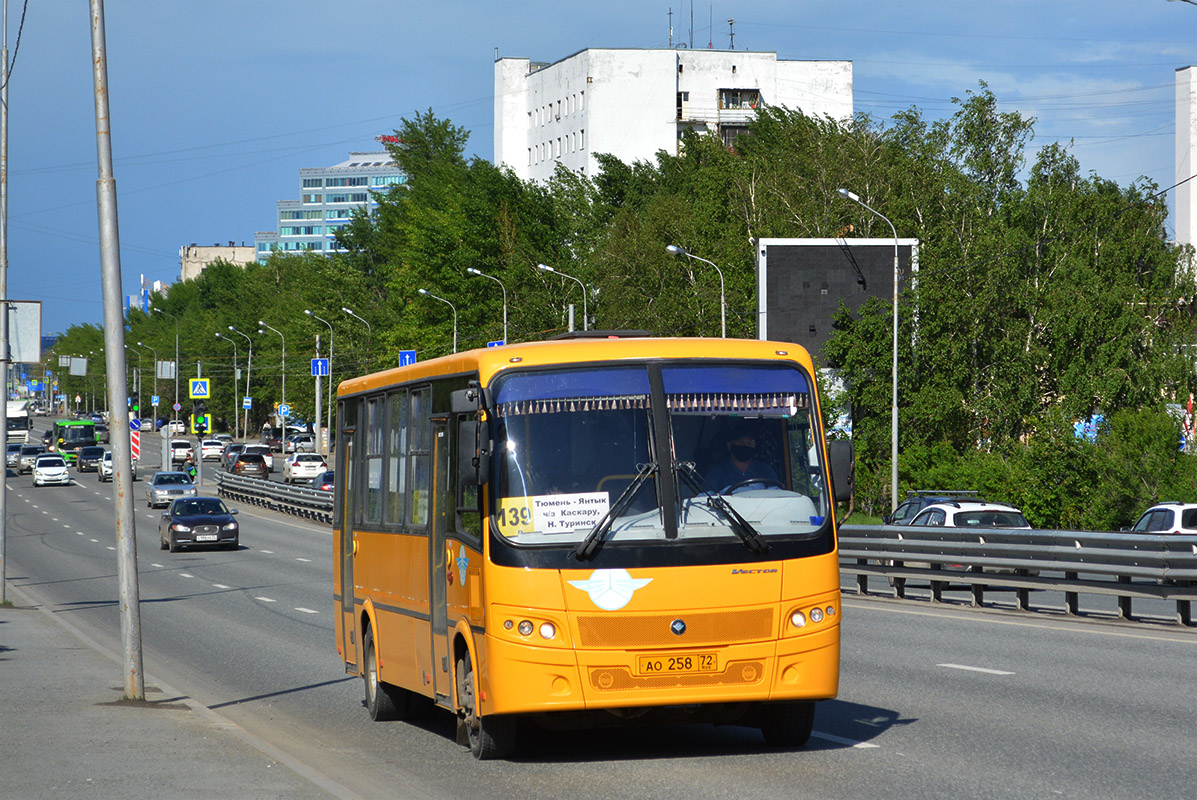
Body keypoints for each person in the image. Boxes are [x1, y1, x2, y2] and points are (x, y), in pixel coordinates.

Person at [704, 425, 781, 493]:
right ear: (730, 446)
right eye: (740, 443)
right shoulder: (716, 473)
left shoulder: (765, 470)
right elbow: (706, 497)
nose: (745, 446)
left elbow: (777, 495)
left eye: (749, 443)